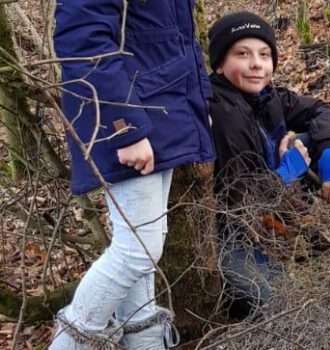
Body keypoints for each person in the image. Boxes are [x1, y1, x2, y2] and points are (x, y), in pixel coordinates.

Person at [50, 1, 214, 349]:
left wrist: (198, 105)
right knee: (138, 250)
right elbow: (82, 43)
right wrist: (124, 127)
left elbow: (171, 40)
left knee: (141, 250)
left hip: (159, 111)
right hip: (132, 118)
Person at [207, 12, 330, 319]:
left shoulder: (265, 96)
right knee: (283, 308)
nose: (257, 64)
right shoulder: (221, 112)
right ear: (219, 63)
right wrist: (287, 171)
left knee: (312, 139)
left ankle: (297, 227)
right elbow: (240, 202)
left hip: (269, 204)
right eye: (242, 54)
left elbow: (319, 110)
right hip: (231, 235)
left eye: (265, 54)